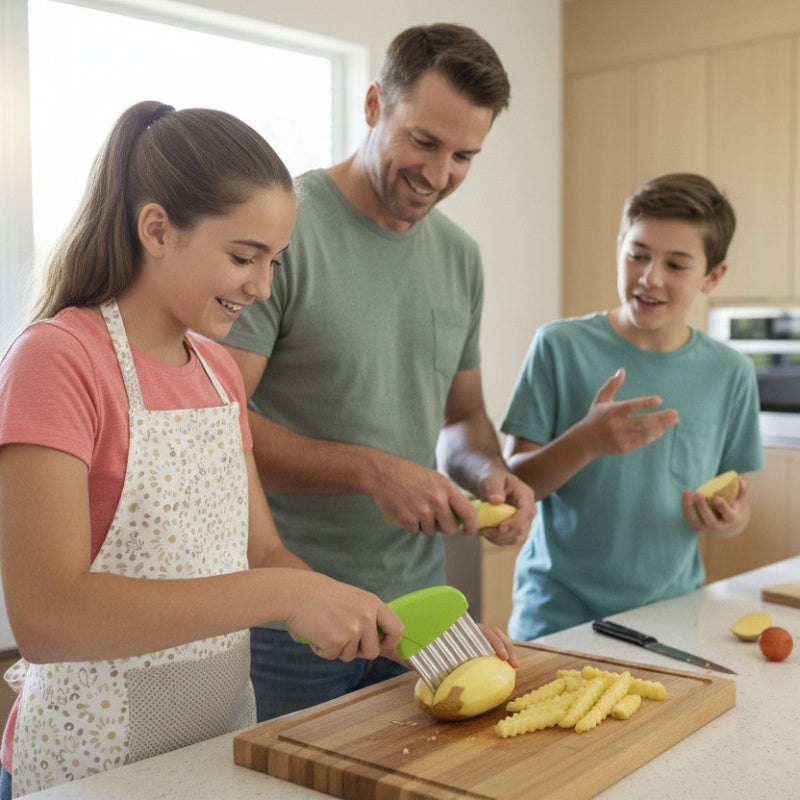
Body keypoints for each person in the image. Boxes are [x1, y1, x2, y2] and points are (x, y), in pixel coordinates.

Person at [0, 100, 408, 798]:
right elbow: (49, 618)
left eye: (275, 261)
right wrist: (281, 593)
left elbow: (265, 552)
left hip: (213, 748)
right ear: (156, 229)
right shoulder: (58, 359)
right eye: (244, 257)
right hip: (87, 768)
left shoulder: (219, 373)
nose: (263, 286)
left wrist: (396, 632)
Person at [221, 23, 535, 721]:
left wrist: (488, 475)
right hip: (291, 613)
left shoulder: (460, 256)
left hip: (422, 607)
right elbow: (217, 424)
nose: (439, 173)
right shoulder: (286, 231)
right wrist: (369, 469)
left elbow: (460, 419)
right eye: (423, 141)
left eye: (463, 155)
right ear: (372, 106)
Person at [501, 172, 765, 640]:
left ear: (713, 276)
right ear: (619, 246)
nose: (650, 278)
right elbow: (517, 485)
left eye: (676, 265)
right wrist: (587, 441)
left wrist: (728, 522)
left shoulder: (731, 372)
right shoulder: (559, 346)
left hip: (669, 621)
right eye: (637, 255)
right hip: (557, 619)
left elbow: (738, 501)